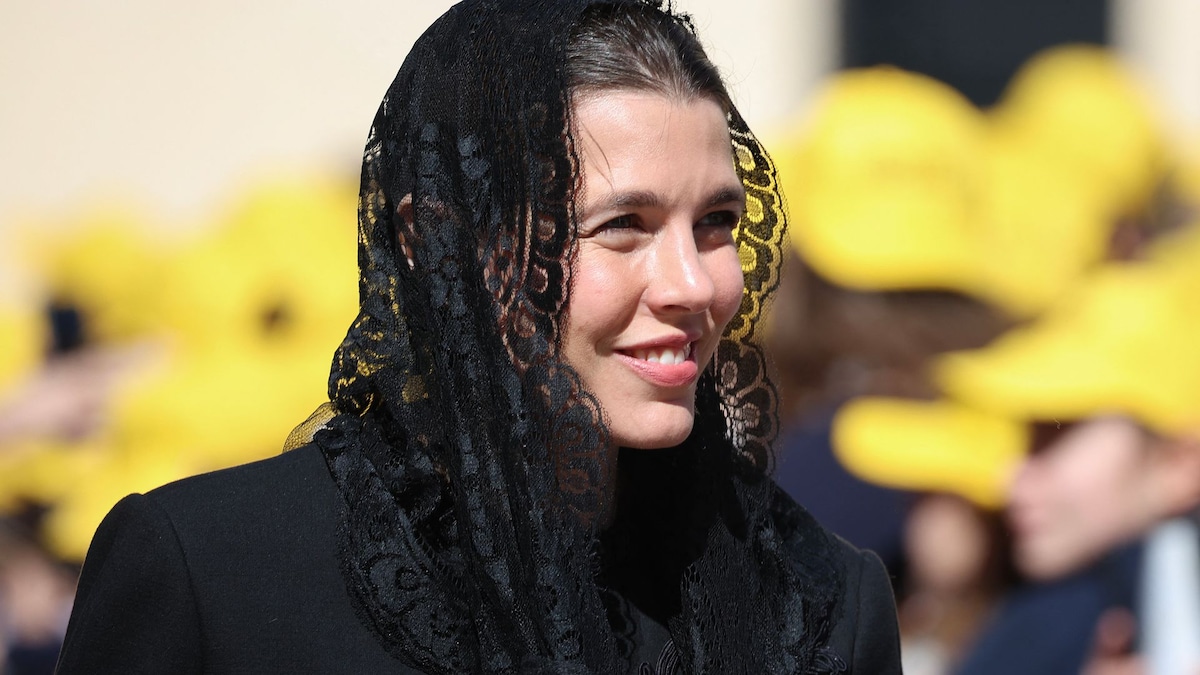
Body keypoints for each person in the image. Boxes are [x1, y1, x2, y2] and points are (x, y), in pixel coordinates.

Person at [53, 1, 902, 673]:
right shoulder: (211, 576)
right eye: (622, 226)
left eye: (717, 221)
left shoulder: (817, 599)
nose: (693, 284)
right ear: (440, 241)